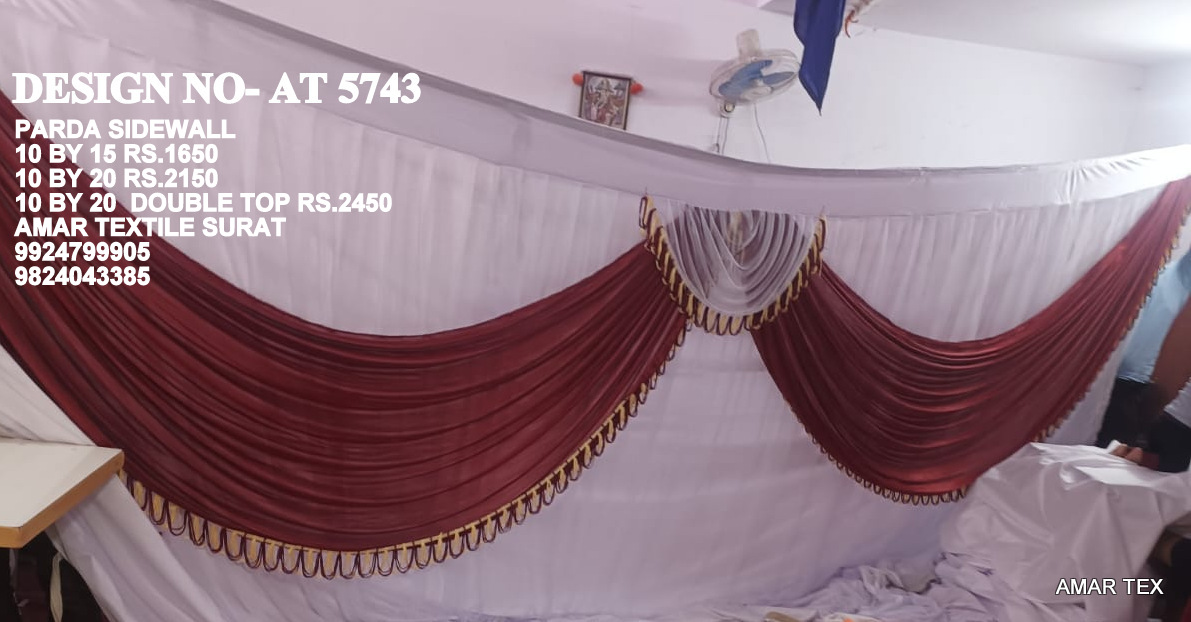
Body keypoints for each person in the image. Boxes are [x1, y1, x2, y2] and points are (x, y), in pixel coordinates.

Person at [1096, 249, 1191, 462]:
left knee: (1119, 455)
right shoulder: (1165, 278)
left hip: (1147, 388)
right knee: (1111, 457)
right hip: (1128, 382)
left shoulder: (1170, 279)